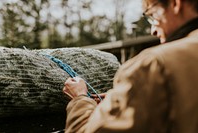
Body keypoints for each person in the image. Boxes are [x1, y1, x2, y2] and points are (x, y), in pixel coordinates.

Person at [63, 0, 198, 132]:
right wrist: (125, 97)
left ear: (175, 3)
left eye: (152, 15)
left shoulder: (153, 64)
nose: (153, 31)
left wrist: (80, 99)